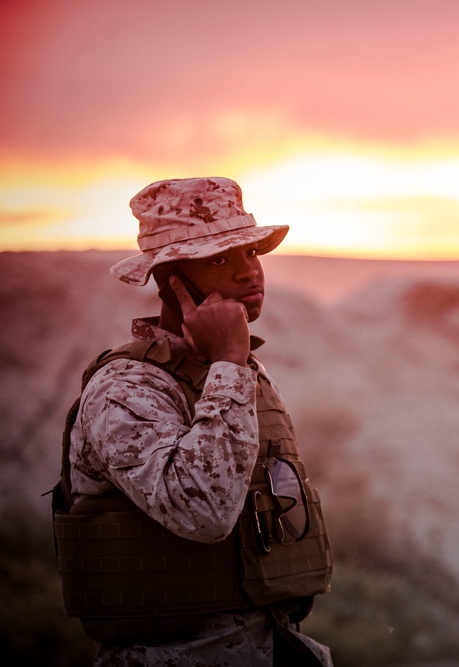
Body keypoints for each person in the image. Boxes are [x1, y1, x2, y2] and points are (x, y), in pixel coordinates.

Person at [51, 177, 334, 666]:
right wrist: (228, 361)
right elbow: (202, 513)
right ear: (169, 279)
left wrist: (228, 366)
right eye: (221, 259)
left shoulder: (236, 371)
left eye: (251, 253)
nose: (251, 273)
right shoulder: (126, 389)